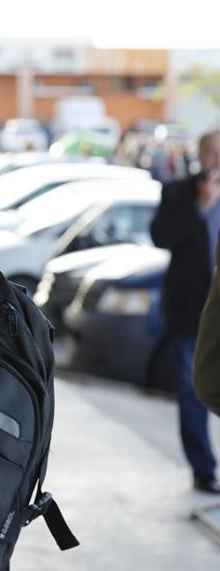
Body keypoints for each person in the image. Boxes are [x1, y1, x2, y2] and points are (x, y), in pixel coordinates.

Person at [150, 130, 220, 494]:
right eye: (212, 154)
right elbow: (160, 236)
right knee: (194, 390)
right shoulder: (179, 192)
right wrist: (201, 209)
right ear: (200, 156)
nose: (217, 162)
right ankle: (203, 470)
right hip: (193, 311)